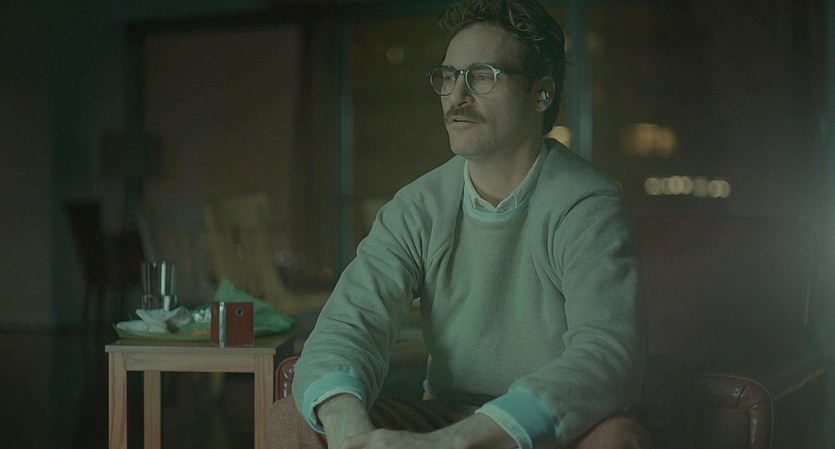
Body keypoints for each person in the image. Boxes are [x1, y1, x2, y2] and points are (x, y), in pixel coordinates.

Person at [269, 0, 651, 448]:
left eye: (483, 76)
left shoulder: (586, 203)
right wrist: (349, 431)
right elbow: (349, 325)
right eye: (449, 76)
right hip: (445, 414)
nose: (457, 97)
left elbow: (606, 355)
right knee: (290, 420)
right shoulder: (417, 207)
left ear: (542, 93)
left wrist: (454, 444)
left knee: (615, 439)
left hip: (549, 430)